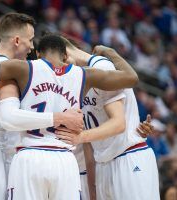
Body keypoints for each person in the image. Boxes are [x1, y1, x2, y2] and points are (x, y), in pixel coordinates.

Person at [0, 34, 139, 199]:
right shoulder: (85, 75)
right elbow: (131, 77)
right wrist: (109, 53)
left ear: (37, 54)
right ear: (66, 56)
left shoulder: (23, 68)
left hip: (29, 157)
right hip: (64, 160)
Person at [0, 13, 83, 200]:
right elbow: (11, 118)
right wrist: (60, 117)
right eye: (29, 40)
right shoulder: (8, 70)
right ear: (17, 40)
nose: (31, 46)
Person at [56, 42, 160, 200]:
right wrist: (93, 190)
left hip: (127, 156)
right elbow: (89, 147)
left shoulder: (103, 67)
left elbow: (118, 123)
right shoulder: (75, 81)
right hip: (103, 165)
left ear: (65, 55)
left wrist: (81, 136)